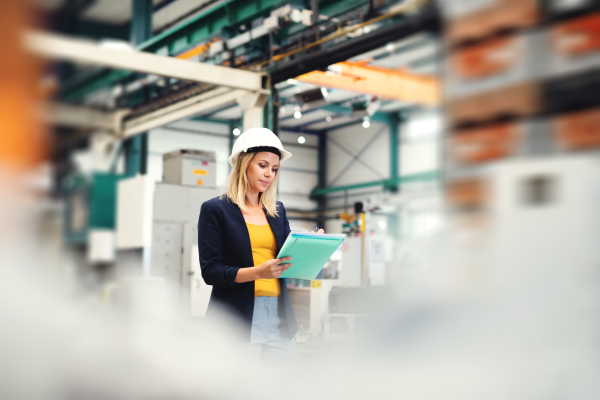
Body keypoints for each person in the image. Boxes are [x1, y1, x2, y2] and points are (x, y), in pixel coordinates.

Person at [197, 127, 323, 363]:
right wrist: (259, 272)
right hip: (237, 318)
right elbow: (211, 271)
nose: (269, 174)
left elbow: (287, 260)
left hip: (279, 316)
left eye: (274, 169)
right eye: (262, 165)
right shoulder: (215, 210)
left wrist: (312, 246)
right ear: (244, 164)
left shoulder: (277, 211)